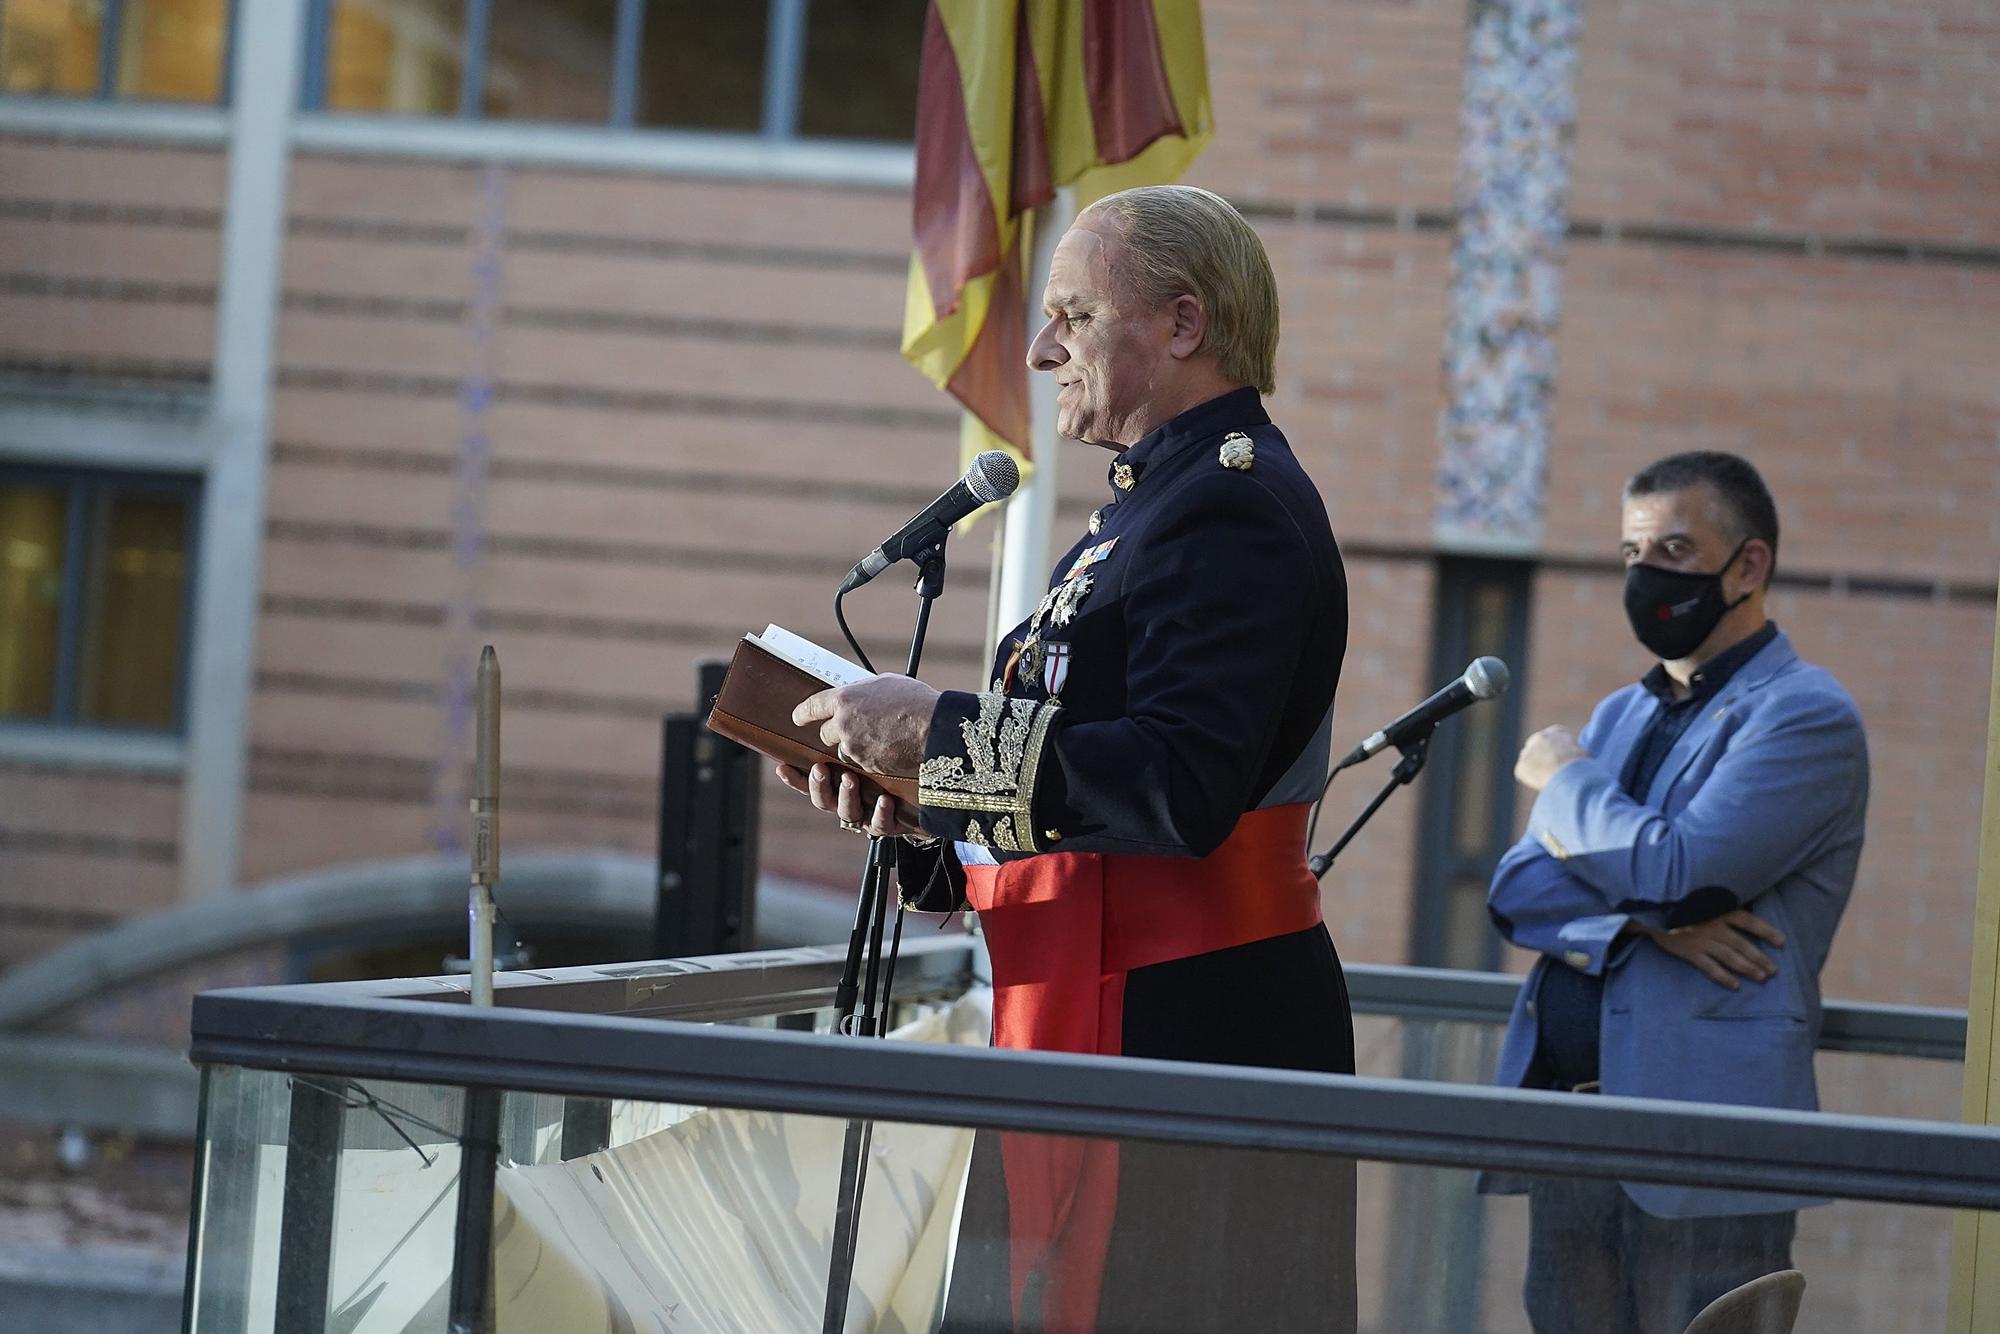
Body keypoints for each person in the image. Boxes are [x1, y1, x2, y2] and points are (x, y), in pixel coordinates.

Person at [778, 185, 1356, 1331]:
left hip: (1192, 1028)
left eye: (1072, 317)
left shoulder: (1227, 507)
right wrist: (915, 809)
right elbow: (1074, 777)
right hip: (1097, 1002)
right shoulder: (1142, 511)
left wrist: (934, 730)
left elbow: (1174, 782)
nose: (1042, 350)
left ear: (1182, 326)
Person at [1486, 450, 1870, 1333]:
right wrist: (1647, 930)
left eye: (1674, 549)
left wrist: (1562, 778)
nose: (1646, 574)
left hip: (1706, 1145)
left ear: (1749, 566)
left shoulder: (1807, 716)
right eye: (1631, 552)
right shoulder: (1625, 712)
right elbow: (1519, 888)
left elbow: (1684, 870)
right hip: (1574, 1130)